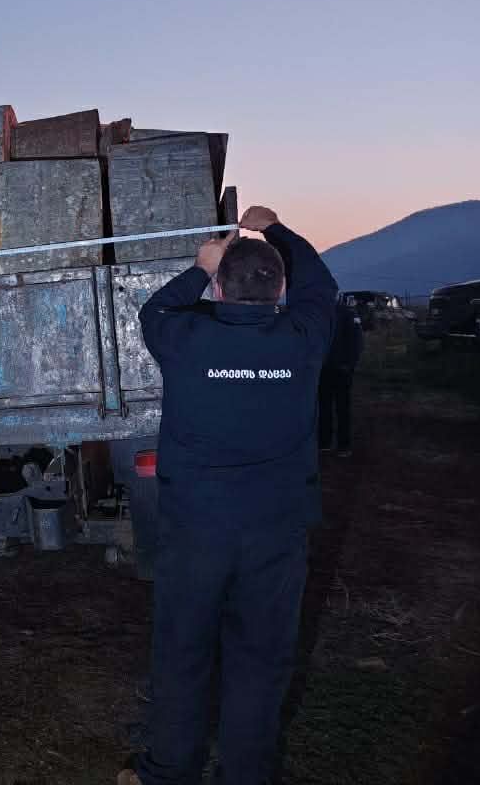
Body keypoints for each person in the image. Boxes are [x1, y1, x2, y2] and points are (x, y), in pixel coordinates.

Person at [120, 206, 337, 785]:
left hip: (196, 531)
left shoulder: (185, 337)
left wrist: (201, 265)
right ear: (281, 290)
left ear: (217, 289)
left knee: (182, 653)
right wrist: (275, 228)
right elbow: (322, 285)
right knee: (261, 662)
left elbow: (154, 308)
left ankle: (169, 773)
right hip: (276, 533)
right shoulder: (304, 339)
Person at [318, 296, 364, 456]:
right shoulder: (322, 314)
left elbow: (357, 342)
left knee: (339, 407)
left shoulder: (346, 313)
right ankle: (327, 442)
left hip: (338, 369)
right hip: (327, 369)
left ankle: (341, 445)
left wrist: (349, 364)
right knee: (327, 407)